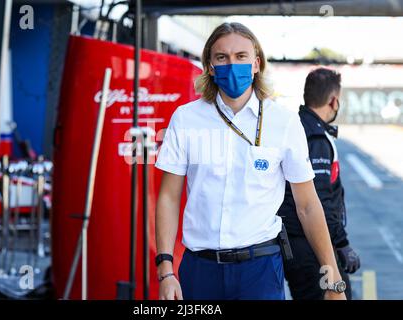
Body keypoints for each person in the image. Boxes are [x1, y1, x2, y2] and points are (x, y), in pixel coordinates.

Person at [154, 22, 347, 300]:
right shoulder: (185, 119)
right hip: (199, 269)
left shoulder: (284, 122)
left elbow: (307, 205)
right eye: (222, 57)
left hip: (260, 269)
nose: (232, 64)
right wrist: (166, 270)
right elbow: (169, 198)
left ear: (256, 64)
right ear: (209, 66)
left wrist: (332, 276)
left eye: (241, 57)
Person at [278, 68, 360, 300]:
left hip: (296, 241)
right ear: (334, 101)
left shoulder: (298, 127)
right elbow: (320, 200)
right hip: (308, 244)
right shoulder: (315, 138)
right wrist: (342, 243)